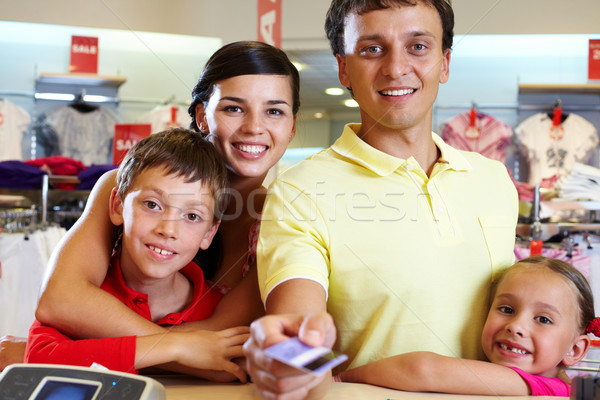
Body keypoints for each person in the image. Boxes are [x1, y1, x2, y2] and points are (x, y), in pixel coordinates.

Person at [243, 0, 518, 398]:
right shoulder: (299, 190)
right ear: (343, 69)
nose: (395, 67)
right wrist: (290, 353)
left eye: (418, 46)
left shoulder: (493, 179)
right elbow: (298, 324)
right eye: (372, 49)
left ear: (444, 63)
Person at [0, 41, 299, 375]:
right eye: (233, 108)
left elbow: (220, 344)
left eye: (274, 110)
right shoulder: (126, 187)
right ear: (202, 116)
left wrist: (70, 354)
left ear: (292, 125)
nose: (254, 127)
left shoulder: (282, 224)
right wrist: (179, 349)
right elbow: (61, 299)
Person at [25, 128, 249, 380]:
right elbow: (38, 358)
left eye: (192, 216)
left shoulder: (215, 307)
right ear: (118, 206)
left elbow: (233, 367)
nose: (168, 229)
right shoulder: (88, 298)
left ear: (209, 233)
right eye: (152, 205)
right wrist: (178, 348)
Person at [335, 256, 600, 396]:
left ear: (575, 350)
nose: (516, 326)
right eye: (506, 309)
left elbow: (424, 370)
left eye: (543, 319)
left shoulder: (546, 388)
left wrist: (339, 378)